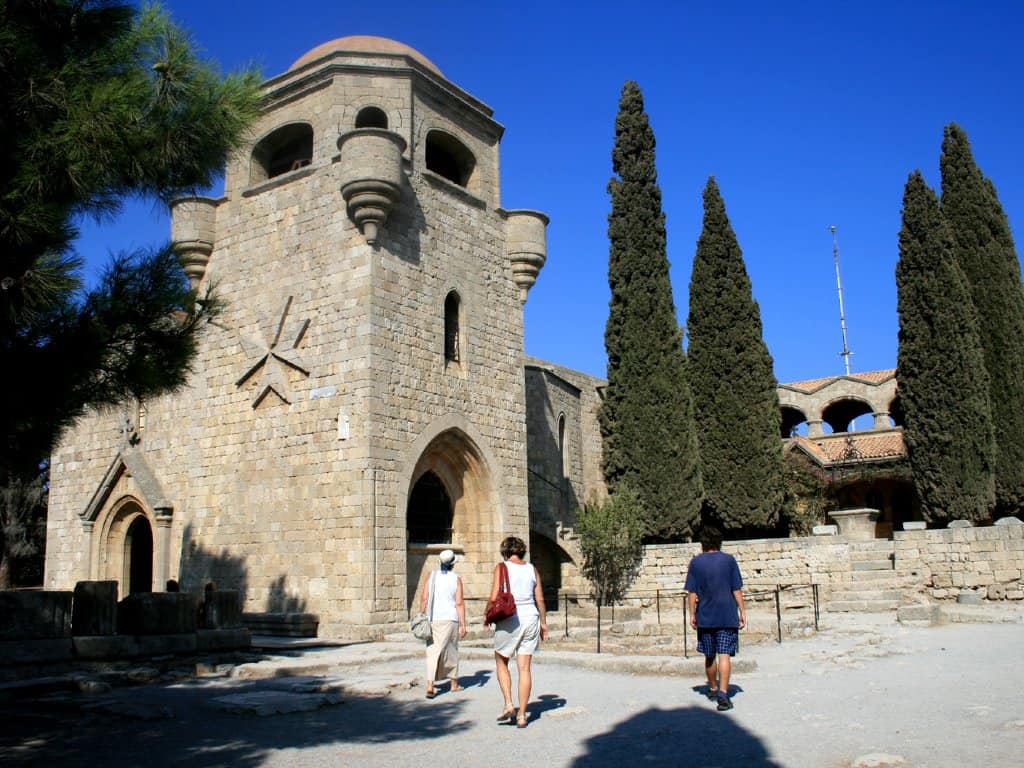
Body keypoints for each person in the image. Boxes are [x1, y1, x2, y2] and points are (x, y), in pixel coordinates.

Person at [488, 535, 548, 728]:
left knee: (501, 660)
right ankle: (522, 715)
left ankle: (508, 703)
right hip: (531, 617)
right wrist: (544, 624)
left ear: (505, 551)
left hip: (510, 617)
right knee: (524, 668)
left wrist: (486, 615)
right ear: (522, 551)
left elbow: (494, 596)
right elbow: (540, 600)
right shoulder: (532, 569)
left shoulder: (502, 567)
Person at [685, 524, 746, 711]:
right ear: (719, 542)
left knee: (709, 655)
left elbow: (692, 593)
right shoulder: (729, 561)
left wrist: (692, 614)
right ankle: (723, 694)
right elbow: (736, 589)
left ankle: (712, 687)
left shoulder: (696, 563)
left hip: (706, 614)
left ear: (702, 543)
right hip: (727, 614)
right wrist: (742, 611)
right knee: (724, 655)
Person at [420, 548, 467, 698]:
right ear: (453, 564)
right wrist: (463, 624)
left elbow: (424, 598)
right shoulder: (456, 579)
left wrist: (421, 614)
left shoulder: (431, 576)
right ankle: (454, 684)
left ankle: (430, 685)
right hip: (450, 619)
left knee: (433, 650)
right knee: (451, 650)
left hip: (433, 618)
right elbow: (459, 603)